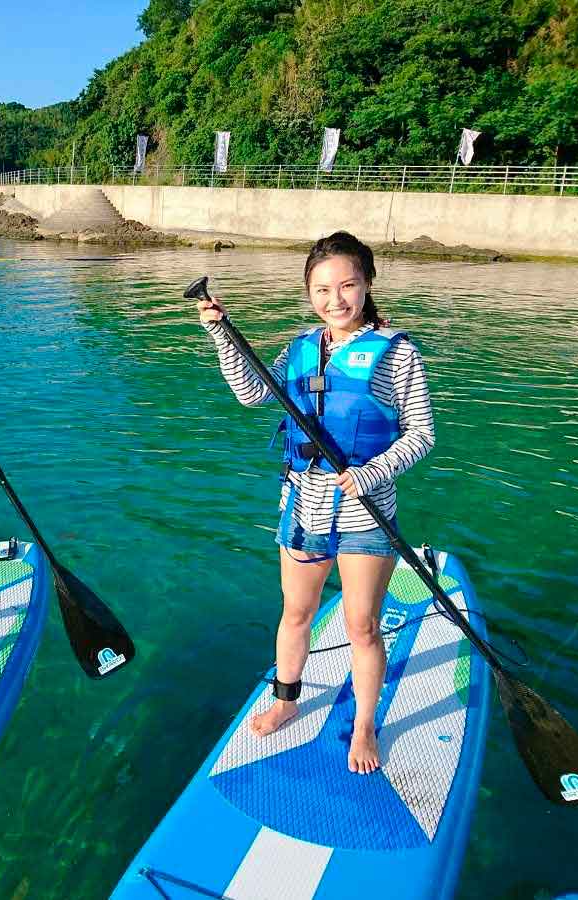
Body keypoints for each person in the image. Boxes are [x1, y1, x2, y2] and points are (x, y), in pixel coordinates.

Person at [196, 231, 435, 773]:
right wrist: (221, 337)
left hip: (364, 511)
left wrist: (373, 472)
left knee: (362, 626)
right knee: (296, 612)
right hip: (303, 503)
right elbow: (252, 391)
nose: (336, 300)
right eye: (322, 289)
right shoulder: (300, 348)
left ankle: (366, 725)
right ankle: (286, 699)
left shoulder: (398, 353)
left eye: (348, 285)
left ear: (367, 284)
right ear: (309, 292)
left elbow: (421, 434)